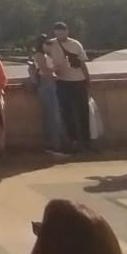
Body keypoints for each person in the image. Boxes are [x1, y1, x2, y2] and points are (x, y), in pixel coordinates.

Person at [47, 22, 91, 154]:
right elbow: (42, 57)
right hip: (62, 81)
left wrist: (88, 80)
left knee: (83, 112)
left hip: (78, 81)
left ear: (67, 31)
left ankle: (86, 141)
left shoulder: (76, 44)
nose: (60, 36)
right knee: (67, 114)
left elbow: (83, 63)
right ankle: (73, 141)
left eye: (62, 33)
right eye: (57, 34)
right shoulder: (50, 44)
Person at [30, 37, 63, 157]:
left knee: (49, 115)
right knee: (53, 116)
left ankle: (51, 144)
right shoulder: (40, 56)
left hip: (47, 85)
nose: (49, 46)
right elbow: (44, 70)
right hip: (47, 85)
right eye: (47, 43)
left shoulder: (41, 55)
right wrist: (58, 67)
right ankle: (56, 146)